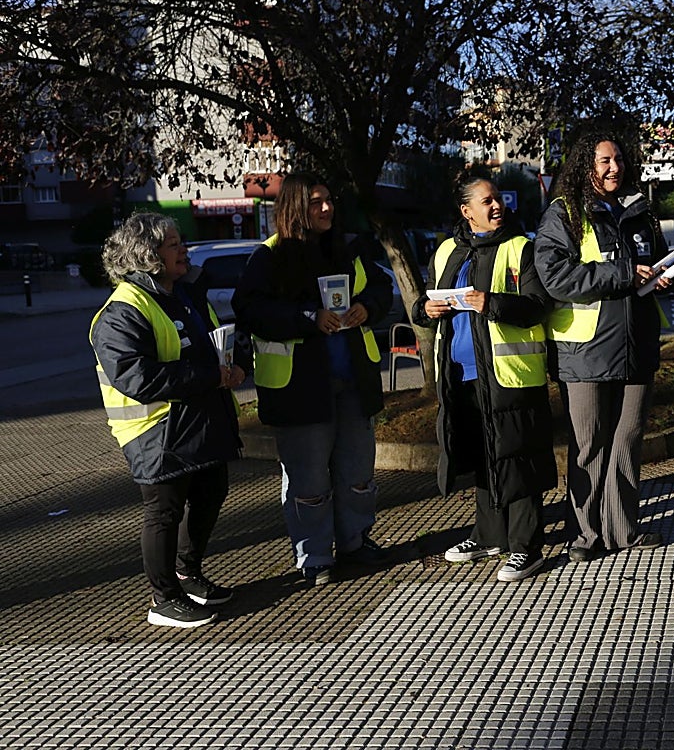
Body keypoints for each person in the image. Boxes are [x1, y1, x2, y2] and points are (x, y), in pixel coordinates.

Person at [232, 172, 393, 586]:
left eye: (328, 201)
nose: (326, 209)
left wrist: (366, 308)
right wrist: (308, 319)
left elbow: (380, 287)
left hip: (352, 383)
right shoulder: (268, 257)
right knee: (309, 483)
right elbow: (251, 310)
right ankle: (315, 557)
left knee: (357, 473)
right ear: (294, 209)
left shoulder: (346, 249)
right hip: (300, 391)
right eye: (315, 202)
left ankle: (355, 543)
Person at [90, 213, 245, 628]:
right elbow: (137, 377)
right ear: (148, 254)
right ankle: (164, 599)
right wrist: (213, 376)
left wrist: (232, 364)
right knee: (164, 511)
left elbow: (209, 346)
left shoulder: (178, 294)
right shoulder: (123, 310)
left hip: (193, 423)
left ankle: (187, 574)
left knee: (213, 490)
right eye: (174, 244)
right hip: (153, 431)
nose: (184, 250)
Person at [535, 127, 672, 562]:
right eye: (604, 161)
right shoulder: (563, 213)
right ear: (585, 167)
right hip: (586, 350)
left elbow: (652, 260)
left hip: (637, 344)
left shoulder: (640, 209)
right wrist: (624, 276)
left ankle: (623, 530)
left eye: (618, 159)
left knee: (627, 439)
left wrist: (663, 276)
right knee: (590, 443)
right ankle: (585, 535)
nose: (616, 167)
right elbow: (555, 277)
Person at [412, 177, 557, 582]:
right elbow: (421, 307)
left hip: (509, 374)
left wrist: (489, 303)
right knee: (481, 455)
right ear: (466, 211)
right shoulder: (446, 251)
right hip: (460, 374)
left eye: (497, 200)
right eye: (486, 201)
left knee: (518, 455)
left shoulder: (520, 247)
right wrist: (426, 309)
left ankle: (527, 546)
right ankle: (489, 535)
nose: (496, 206)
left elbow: (538, 305)